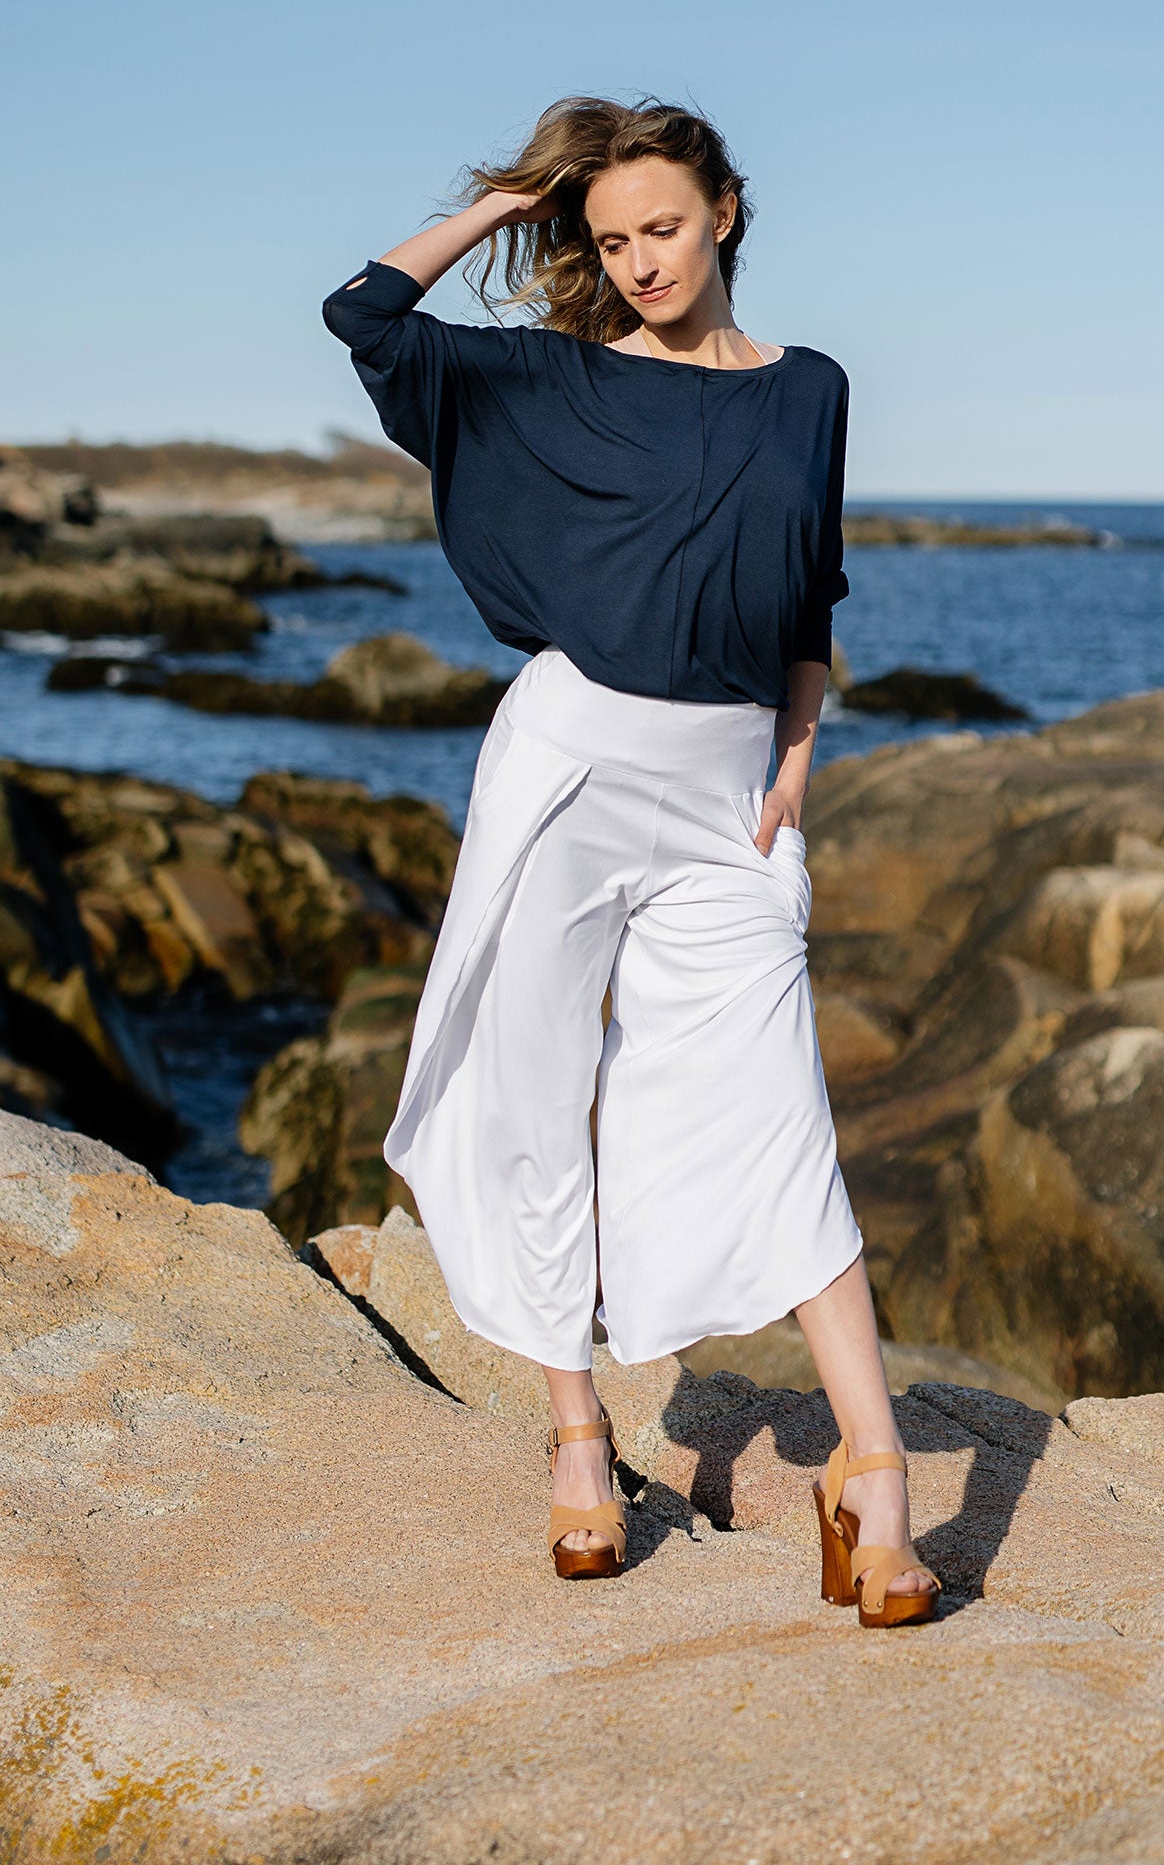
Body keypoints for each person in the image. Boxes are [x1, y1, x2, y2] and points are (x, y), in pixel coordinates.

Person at [322, 94, 940, 1627]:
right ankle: (578, 1435)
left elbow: (807, 587)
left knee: (779, 1111)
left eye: (662, 226)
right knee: (536, 1094)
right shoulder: (564, 378)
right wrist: (515, 197)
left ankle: (870, 1475)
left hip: (728, 792)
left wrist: (798, 746)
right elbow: (365, 315)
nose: (641, 260)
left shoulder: (810, 388)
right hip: (571, 765)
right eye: (608, 241)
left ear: (724, 211)